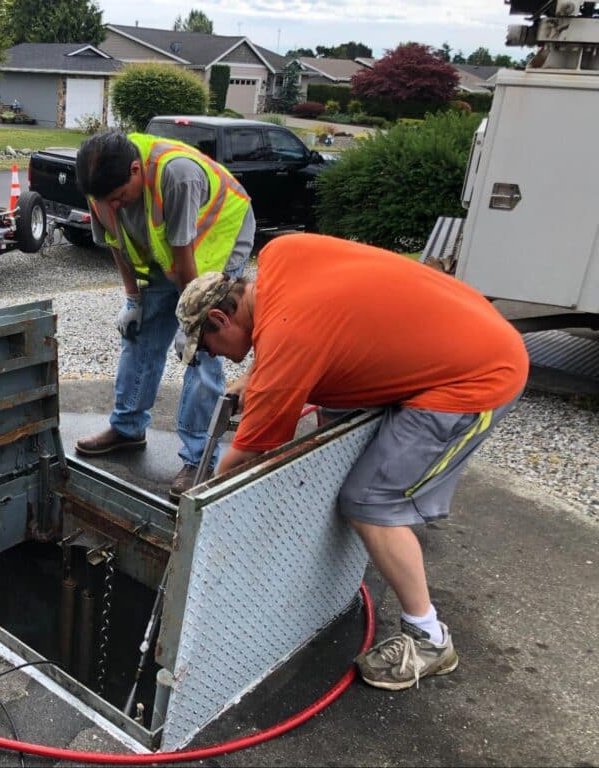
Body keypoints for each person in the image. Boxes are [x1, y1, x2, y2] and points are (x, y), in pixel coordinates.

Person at [174, 233, 528, 690]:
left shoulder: (287, 343)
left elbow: (245, 458)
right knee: (334, 415)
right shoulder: (282, 255)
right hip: (471, 328)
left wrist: (196, 517)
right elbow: (317, 320)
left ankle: (428, 638)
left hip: (476, 377)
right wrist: (258, 376)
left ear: (220, 318)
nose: (213, 356)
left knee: (370, 501)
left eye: (207, 346)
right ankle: (364, 556)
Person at [72, 130, 256, 500]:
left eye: (119, 197)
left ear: (136, 170)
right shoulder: (100, 185)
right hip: (168, 256)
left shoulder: (177, 175)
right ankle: (127, 427)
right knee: (140, 333)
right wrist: (132, 300)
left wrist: (193, 323)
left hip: (216, 244)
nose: (114, 206)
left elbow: (183, 252)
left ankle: (198, 458)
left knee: (203, 350)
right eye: (107, 201)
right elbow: (116, 243)